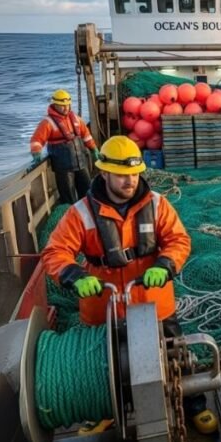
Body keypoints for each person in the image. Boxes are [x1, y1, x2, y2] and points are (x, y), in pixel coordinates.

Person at [41, 135, 191, 330]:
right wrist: (75, 275)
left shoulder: (157, 204)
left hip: (155, 309)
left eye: (135, 174)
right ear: (104, 173)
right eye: (122, 175)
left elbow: (178, 240)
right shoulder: (80, 213)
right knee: (101, 361)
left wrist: (164, 265)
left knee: (171, 358)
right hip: (103, 313)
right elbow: (55, 251)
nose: (130, 181)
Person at [30, 89, 99, 204]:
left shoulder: (76, 119)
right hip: (63, 168)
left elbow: (86, 136)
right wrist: (36, 153)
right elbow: (36, 140)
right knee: (68, 197)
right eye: (62, 105)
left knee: (88, 191)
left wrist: (94, 149)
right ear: (54, 104)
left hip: (81, 164)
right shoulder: (47, 123)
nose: (65, 108)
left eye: (67, 105)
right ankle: (71, 217)